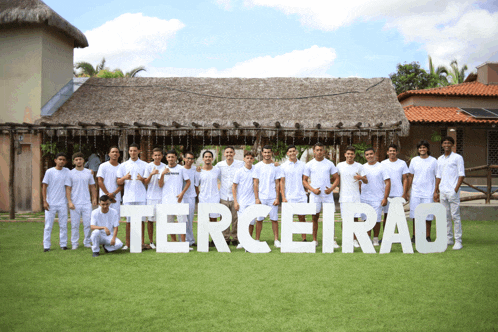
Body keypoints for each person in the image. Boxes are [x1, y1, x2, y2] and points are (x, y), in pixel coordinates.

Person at [303, 142, 339, 247]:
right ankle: (314, 240)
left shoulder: (330, 163)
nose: (319, 152)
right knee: (314, 217)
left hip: (327, 195)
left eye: (321, 150)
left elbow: (337, 178)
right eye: (317, 150)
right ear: (314, 151)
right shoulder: (309, 164)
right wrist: (312, 190)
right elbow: (304, 180)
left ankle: (331, 240)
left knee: (329, 217)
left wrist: (331, 189)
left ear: (324, 151)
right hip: (315, 195)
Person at [434, 136, 465, 250]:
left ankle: (458, 241)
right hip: (442, 191)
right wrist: (436, 190)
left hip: (452, 191)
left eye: (449, 143)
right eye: (445, 143)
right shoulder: (439, 159)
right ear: (442, 145)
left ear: (452, 145)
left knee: (455, 216)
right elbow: (438, 176)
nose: (446, 145)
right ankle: (449, 239)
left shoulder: (458, 158)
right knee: (445, 216)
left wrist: (455, 189)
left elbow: (461, 175)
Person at [117, 143, 148, 250]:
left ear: (138, 151)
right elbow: (118, 181)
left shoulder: (145, 165)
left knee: (141, 221)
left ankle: (142, 243)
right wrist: (125, 177)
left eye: (135, 150)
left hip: (141, 196)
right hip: (128, 197)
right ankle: (128, 243)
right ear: (128, 152)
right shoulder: (123, 165)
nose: (133, 152)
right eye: (131, 150)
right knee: (129, 221)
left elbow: (147, 182)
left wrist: (143, 179)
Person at [65, 152, 97, 249]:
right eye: (76, 159)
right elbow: (68, 188)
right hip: (75, 203)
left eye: (80, 159)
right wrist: (69, 201)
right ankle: (74, 243)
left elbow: (92, 187)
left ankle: (87, 241)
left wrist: (94, 198)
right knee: (75, 224)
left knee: (88, 224)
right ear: (74, 161)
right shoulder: (70, 173)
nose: (79, 161)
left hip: (86, 202)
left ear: (84, 161)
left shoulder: (88, 172)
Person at [407, 140, 437, 243]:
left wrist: (436, 191)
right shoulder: (414, 160)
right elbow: (410, 176)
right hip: (416, 192)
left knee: (428, 216)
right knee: (415, 215)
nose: (422, 149)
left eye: (424, 147)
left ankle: (427, 236)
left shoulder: (433, 161)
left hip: (429, 192)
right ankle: (415, 236)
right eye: (420, 148)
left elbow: (437, 177)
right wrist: (407, 191)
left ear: (427, 149)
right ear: (418, 149)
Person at [359, 147, 391, 246]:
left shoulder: (382, 167)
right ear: (365, 156)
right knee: (365, 219)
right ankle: (367, 238)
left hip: (378, 198)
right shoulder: (362, 167)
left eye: (371, 154)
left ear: (375, 154)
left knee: (377, 219)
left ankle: (375, 238)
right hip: (365, 197)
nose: (369, 156)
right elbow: (360, 183)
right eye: (367, 154)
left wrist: (385, 197)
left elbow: (388, 182)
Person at [336, 146, 366, 248]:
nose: (350, 156)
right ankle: (346, 239)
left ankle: (354, 240)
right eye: (348, 154)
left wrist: (360, 177)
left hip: (355, 197)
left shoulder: (359, 166)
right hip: (344, 197)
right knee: (345, 219)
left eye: (352, 154)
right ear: (345, 155)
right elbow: (334, 178)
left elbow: (366, 180)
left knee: (355, 219)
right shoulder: (339, 166)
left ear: (354, 155)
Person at [159, 150, 191, 243]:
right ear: (166, 158)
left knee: (182, 222)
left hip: (179, 200)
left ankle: (183, 242)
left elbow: (188, 182)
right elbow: (160, 185)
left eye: (172, 157)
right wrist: (162, 174)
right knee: (169, 223)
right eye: (169, 157)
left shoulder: (181, 169)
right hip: (166, 201)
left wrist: (182, 193)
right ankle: (174, 241)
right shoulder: (163, 169)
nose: (170, 159)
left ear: (176, 158)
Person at [253, 145, 282, 247]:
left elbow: (278, 183)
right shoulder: (257, 166)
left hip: (272, 197)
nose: (267, 154)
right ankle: (257, 239)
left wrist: (277, 198)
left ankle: (276, 240)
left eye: (269, 152)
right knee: (259, 219)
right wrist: (256, 198)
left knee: (274, 219)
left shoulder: (275, 166)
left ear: (271, 153)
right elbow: (255, 183)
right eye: (265, 152)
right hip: (261, 197)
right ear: (262, 153)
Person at [216, 146, 244, 245]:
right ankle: (225, 238)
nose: (229, 154)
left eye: (231, 152)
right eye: (227, 152)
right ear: (224, 154)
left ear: (234, 153)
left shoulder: (240, 164)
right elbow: (215, 175)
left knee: (235, 218)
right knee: (224, 218)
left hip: (235, 196)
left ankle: (235, 237)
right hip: (223, 195)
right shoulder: (219, 165)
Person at [42, 153, 70, 251]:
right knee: (48, 225)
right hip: (51, 203)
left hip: (62, 203)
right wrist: (44, 201)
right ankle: (46, 246)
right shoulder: (49, 172)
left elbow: (76, 173)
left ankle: (63, 244)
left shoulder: (67, 171)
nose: (62, 161)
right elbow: (44, 186)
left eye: (63, 159)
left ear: (65, 161)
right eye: (60, 159)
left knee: (63, 225)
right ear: (55, 160)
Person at [380, 144, 409, 241]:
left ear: (397, 152)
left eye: (394, 151)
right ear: (387, 152)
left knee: (399, 216)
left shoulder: (402, 163)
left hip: (398, 193)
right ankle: (386, 237)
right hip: (386, 194)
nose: (392, 152)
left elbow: (405, 179)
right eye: (390, 151)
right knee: (387, 215)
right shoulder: (383, 163)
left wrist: (404, 193)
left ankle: (400, 237)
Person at [280, 145, 308, 241]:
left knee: (302, 218)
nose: (292, 153)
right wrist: (283, 196)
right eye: (290, 151)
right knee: (288, 219)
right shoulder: (283, 166)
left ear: (296, 152)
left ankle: (304, 238)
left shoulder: (303, 165)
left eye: (293, 151)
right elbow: (282, 182)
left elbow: (306, 179)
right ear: (287, 153)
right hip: (289, 196)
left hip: (301, 196)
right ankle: (287, 239)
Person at [143, 148, 167, 249]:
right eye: (155, 155)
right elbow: (145, 182)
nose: (157, 157)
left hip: (162, 197)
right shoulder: (148, 166)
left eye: (159, 155)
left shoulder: (165, 167)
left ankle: (160, 240)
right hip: (151, 197)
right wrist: (151, 174)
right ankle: (151, 241)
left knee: (161, 220)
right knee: (151, 220)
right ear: (152, 156)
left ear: (162, 156)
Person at [233, 151, 257, 249]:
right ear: (244, 159)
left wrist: (275, 163)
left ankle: (249, 240)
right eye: (247, 158)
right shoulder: (239, 171)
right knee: (242, 222)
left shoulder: (256, 169)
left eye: (251, 158)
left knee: (251, 222)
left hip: (252, 201)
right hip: (241, 201)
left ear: (253, 160)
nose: (249, 160)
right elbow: (234, 186)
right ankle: (242, 241)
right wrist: (235, 201)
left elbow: (267, 163)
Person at [96, 146, 123, 217]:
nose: (115, 154)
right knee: (103, 218)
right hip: (104, 197)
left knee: (115, 219)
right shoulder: (103, 166)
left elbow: (122, 184)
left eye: (116, 152)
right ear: (109, 154)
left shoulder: (121, 167)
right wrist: (108, 195)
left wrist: (113, 194)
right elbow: (100, 181)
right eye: (113, 152)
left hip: (116, 197)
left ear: (119, 154)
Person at [181, 151, 199, 247]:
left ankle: (190, 240)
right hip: (181, 198)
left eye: (191, 159)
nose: (190, 160)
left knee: (190, 219)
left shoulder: (195, 170)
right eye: (188, 158)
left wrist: (197, 197)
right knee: (182, 219)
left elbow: (196, 185)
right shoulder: (180, 169)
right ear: (184, 159)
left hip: (191, 197)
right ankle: (183, 240)